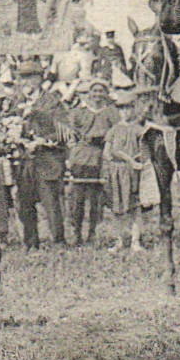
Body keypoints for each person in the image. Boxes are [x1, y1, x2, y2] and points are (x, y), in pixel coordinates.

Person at [10, 58, 68, 248]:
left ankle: (58, 242)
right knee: (24, 203)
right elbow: (8, 122)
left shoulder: (52, 102)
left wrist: (42, 141)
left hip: (47, 158)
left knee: (50, 202)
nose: (25, 82)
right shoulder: (17, 102)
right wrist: (13, 136)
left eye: (29, 77)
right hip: (24, 161)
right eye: (22, 78)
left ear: (39, 79)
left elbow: (64, 131)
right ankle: (31, 242)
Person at [65, 77, 114, 247]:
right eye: (95, 91)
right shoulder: (79, 111)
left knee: (96, 199)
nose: (97, 95)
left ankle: (92, 233)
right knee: (77, 198)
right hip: (81, 156)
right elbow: (72, 131)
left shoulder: (110, 112)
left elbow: (115, 131)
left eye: (101, 91)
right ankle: (76, 232)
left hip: (100, 157)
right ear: (89, 93)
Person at [102, 87, 148, 251]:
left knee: (135, 208)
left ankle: (136, 241)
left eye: (129, 108)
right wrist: (119, 160)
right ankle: (119, 240)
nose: (125, 112)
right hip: (117, 173)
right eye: (122, 109)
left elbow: (145, 148)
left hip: (132, 173)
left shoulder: (138, 129)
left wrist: (137, 161)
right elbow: (108, 152)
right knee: (117, 209)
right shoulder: (113, 130)